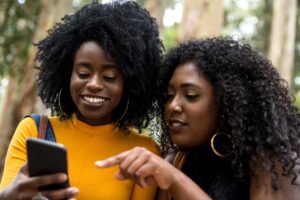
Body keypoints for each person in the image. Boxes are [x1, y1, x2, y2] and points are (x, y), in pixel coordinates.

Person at [96, 37, 300, 199]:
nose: (173, 106)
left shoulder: (271, 163)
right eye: (169, 96)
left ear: (226, 102)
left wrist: (175, 180)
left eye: (191, 96)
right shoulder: (176, 160)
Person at [0, 1, 163, 199]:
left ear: (129, 84)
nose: (94, 84)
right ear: (67, 74)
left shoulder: (145, 152)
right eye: (83, 73)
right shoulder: (33, 130)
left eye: (110, 76)